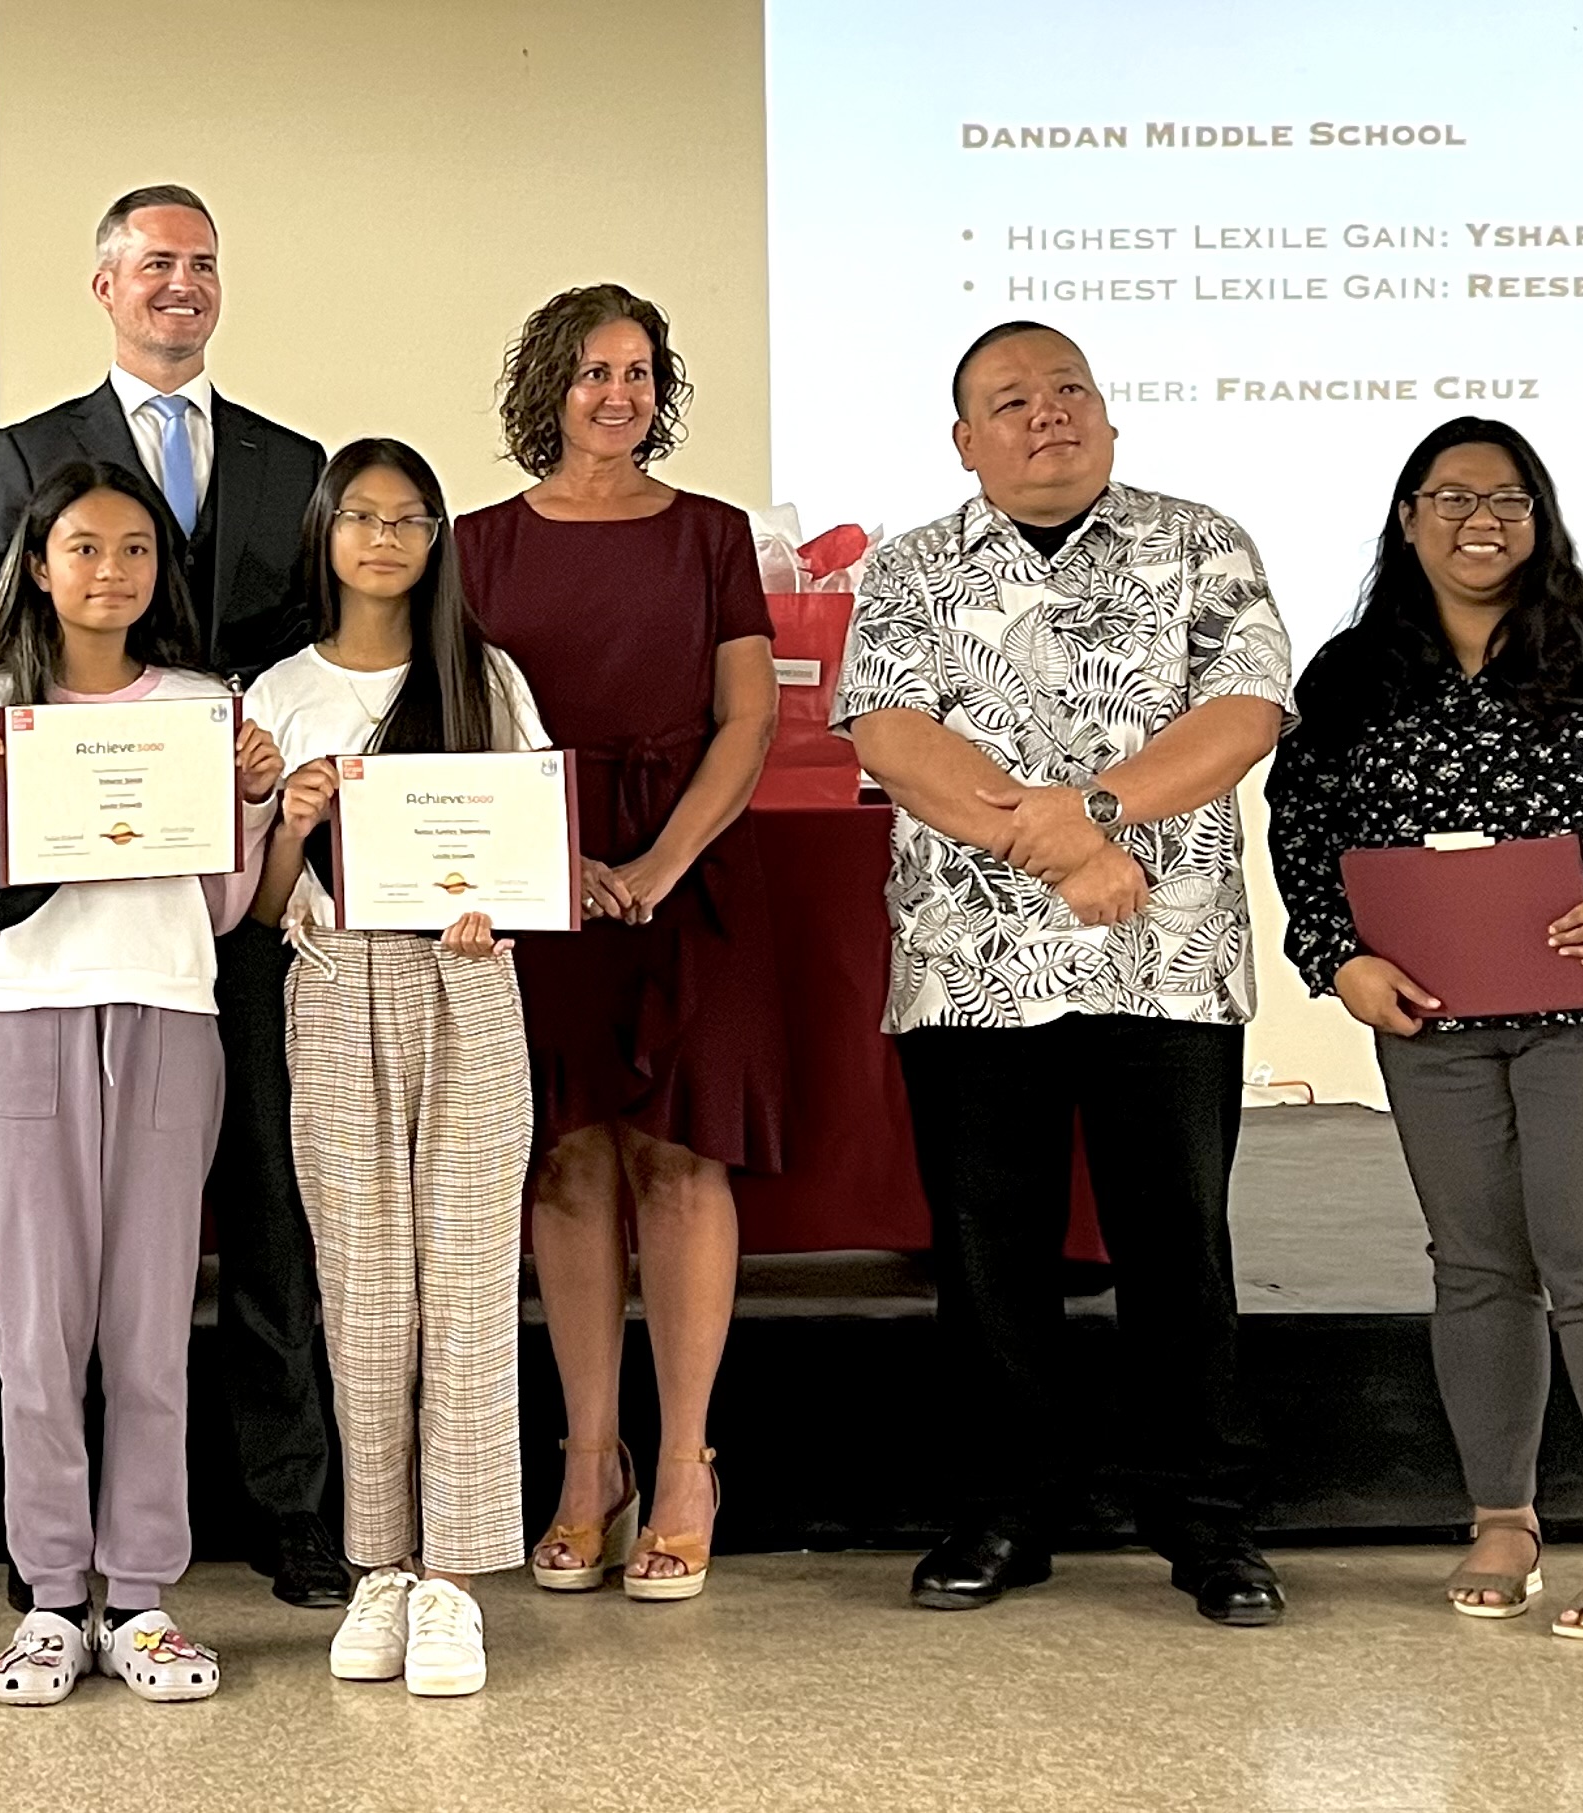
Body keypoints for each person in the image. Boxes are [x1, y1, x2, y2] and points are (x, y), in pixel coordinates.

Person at [836, 321, 1293, 1627]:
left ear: (1105, 414)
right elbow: (891, 735)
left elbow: (1243, 714)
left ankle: (1203, 1519)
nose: (1047, 414)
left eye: (1068, 390)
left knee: (1177, 1245)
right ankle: (1003, 1508)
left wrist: (1090, 813)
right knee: (990, 1250)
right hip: (972, 962)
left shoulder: (1199, 543)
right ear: (963, 440)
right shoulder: (910, 567)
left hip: (1166, 953)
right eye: (1011, 400)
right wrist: (1057, 849)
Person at [0, 181, 345, 1609]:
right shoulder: (30, 452)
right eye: (155, 262)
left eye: (203, 263)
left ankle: (285, 1508)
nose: (182, 283)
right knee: (59, 1294)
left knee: (263, 1219)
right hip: (60, 939)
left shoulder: (289, 459)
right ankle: (54, 1564)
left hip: (224, 891)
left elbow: (314, 660)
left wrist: (254, 793)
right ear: (105, 283)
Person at [1267, 419, 1583, 1640]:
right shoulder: (1354, 671)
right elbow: (1302, 825)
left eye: (1510, 498)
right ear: (1408, 515)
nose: (1483, 520)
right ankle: (1504, 1519)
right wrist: (1338, 957)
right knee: (1474, 1267)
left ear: (1542, 514)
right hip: (1431, 1016)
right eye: (1455, 496)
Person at [0, 459, 284, 1707]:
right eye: (83, 547)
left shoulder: (198, 706)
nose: (111, 571)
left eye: (135, 548)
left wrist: (249, 799)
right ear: (36, 564)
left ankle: (139, 1599)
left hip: (170, 1016)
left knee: (148, 1331)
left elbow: (222, 905)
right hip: (23, 1022)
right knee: (37, 1336)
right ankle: (48, 1599)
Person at [457, 284, 780, 1605]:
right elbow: (463, 725)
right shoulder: (474, 544)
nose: (617, 393)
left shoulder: (712, 534)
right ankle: (590, 1462)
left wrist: (654, 865)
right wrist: (553, 863)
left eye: (638, 371)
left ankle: (689, 1463)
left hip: (687, 869)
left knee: (681, 1155)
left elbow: (747, 719)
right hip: (540, 877)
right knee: (568, 1156)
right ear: (548, 385)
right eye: (593, 371)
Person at [243, 439, 548, 1696]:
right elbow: (261, 904)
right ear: (323, 532)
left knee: (466, 1287)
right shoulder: (277, 693)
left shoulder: (485, 674)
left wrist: (495, 907)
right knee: (363, 1296)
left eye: (409, 518)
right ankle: (380, 1563)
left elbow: (527, 845)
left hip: (465, 985)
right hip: (333, 985)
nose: (383, 539)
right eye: (360, 516)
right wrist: (293, 822)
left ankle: (455, 1581)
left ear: (437, 539)